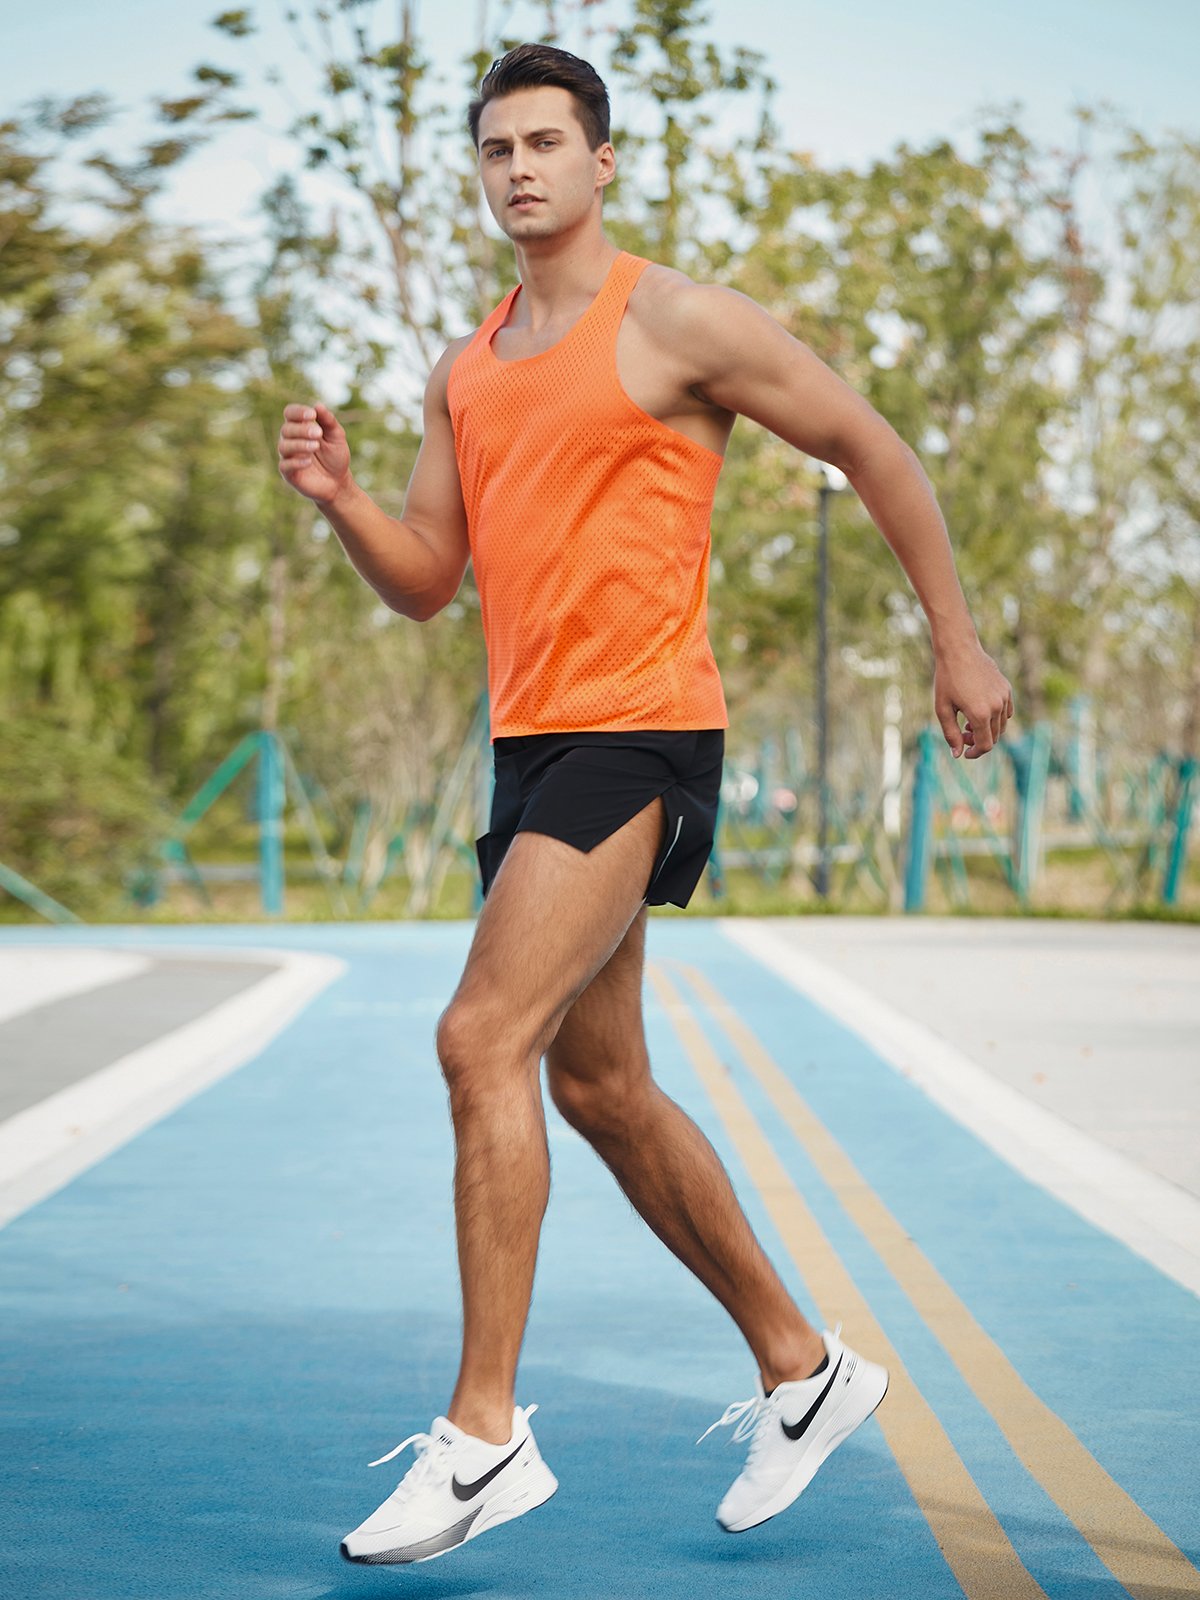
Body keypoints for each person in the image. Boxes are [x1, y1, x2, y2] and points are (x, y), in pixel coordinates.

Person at [277, 42, 1014, 1568]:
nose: (520, 168)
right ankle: (805, 1371)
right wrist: (347, 501)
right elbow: (428, 585)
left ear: (602, 163)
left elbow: (868, 442)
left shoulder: (676, 321)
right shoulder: (466, 367)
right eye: (496, 149)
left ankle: (485, 1437)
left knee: (481, 1039)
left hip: (645, 735)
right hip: (532, 747)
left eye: (546, 142)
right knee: (595, 1086)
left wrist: (955, 633)